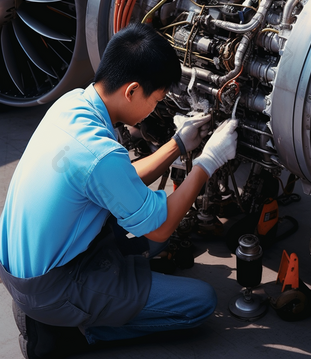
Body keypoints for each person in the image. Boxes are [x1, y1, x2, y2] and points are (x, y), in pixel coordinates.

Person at [0, 23, 238, 358]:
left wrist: (177, 144)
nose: (155, 109)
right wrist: (208, 162)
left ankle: (75, 305)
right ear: (132, 91)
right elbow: (160, 227)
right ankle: (75, 332)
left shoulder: (73, 105)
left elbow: (114, 178)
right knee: (199, 302)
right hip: (53, 288)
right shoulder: (99, 154)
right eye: (155, 100)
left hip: (23, 267)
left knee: (154, 233)